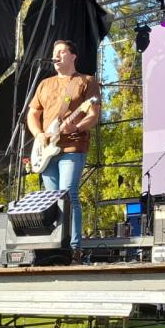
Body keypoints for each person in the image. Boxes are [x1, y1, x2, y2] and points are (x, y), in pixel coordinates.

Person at [27, 40, 101, 262]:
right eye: (54, 52)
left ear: (73, 56)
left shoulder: (86, 81)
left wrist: (76, 127)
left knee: (68, 193)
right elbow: (32, 113)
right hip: (47, 147)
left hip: (72, 145)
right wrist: (39, 134)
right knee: (51, 198)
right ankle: (54, 244)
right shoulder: (44, 84)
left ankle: (74, 246)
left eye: (61, 52)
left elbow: (93, 115)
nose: (56, 56)